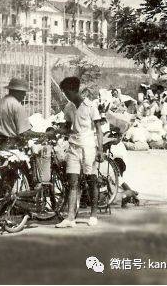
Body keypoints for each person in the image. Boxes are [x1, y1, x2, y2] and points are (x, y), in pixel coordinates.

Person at [55, 76, 103, 229]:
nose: (66, 95)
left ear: (74, 90)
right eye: (64, 92)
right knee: (72, 182)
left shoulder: (90, 106)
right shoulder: (69, 107)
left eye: (67, 92)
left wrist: (100, 149)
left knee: (91, 180)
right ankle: (70, 218)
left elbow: (98, 129)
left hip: (88, 147)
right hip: (73, 147)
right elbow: (67, 127)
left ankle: (93, 214)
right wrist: (56, 131)